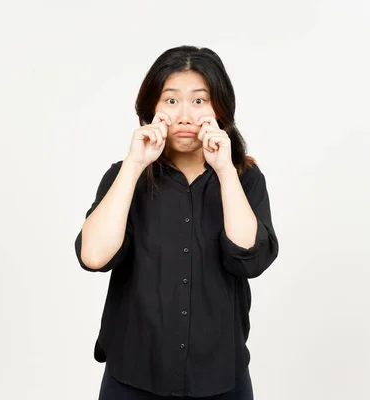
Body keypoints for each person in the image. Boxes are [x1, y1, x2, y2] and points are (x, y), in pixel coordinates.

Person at [74, 45, 279, 399]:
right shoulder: (124, 177)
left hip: (219, 379)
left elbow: (250, 257)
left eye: (199, 101)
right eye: (171, 101)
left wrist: (225, 170)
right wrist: (134, 165)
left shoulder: (244, 178)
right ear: (151, 109)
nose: (185, 115)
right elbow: (93, 256)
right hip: (133, 377)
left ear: (220, 109)